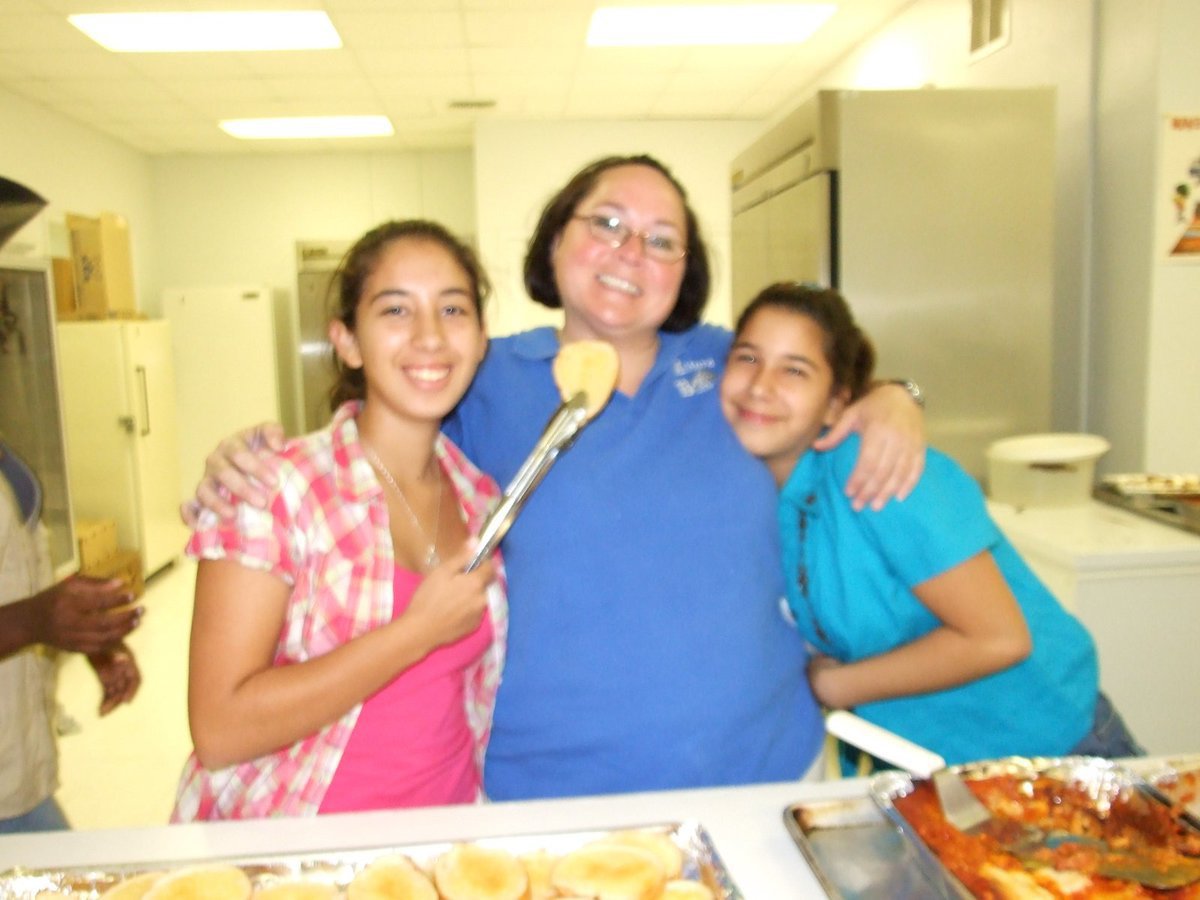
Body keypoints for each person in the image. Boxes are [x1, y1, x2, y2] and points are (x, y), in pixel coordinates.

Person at [184, 154, 926, 800]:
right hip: (550, 798)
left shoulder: (733, 366)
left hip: (763, 774)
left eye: (662, 240)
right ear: (555, 241)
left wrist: (896, 396)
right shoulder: (480, 380)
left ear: (686, 270)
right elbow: (375, 433)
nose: (630, 251)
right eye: (606, 223)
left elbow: (829, 393)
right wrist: (241, 457)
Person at [718, 282, 1143, 768]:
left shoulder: (873, 466)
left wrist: (832, 685)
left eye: (795, 370)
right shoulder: (767, 491)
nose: (760, 386)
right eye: (748, 358)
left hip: (1048, 751)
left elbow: (998, 638)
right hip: (929, 764)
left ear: (837, 403)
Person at [171, 220, 506, 821]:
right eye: (396, 310)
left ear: (482, 340)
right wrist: (417, 631)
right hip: (308, 847)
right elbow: (220, 729)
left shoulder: (481, 499)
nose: (430, 336)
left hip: (451, 835)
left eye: (453, 309)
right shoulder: (273, 488)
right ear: (347, 341)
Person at [1, 437, 142, 833]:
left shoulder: (8, 459)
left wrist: (81, 630)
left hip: (21, 778)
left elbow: (20, 584)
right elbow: (27, 613)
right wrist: (33, 620)